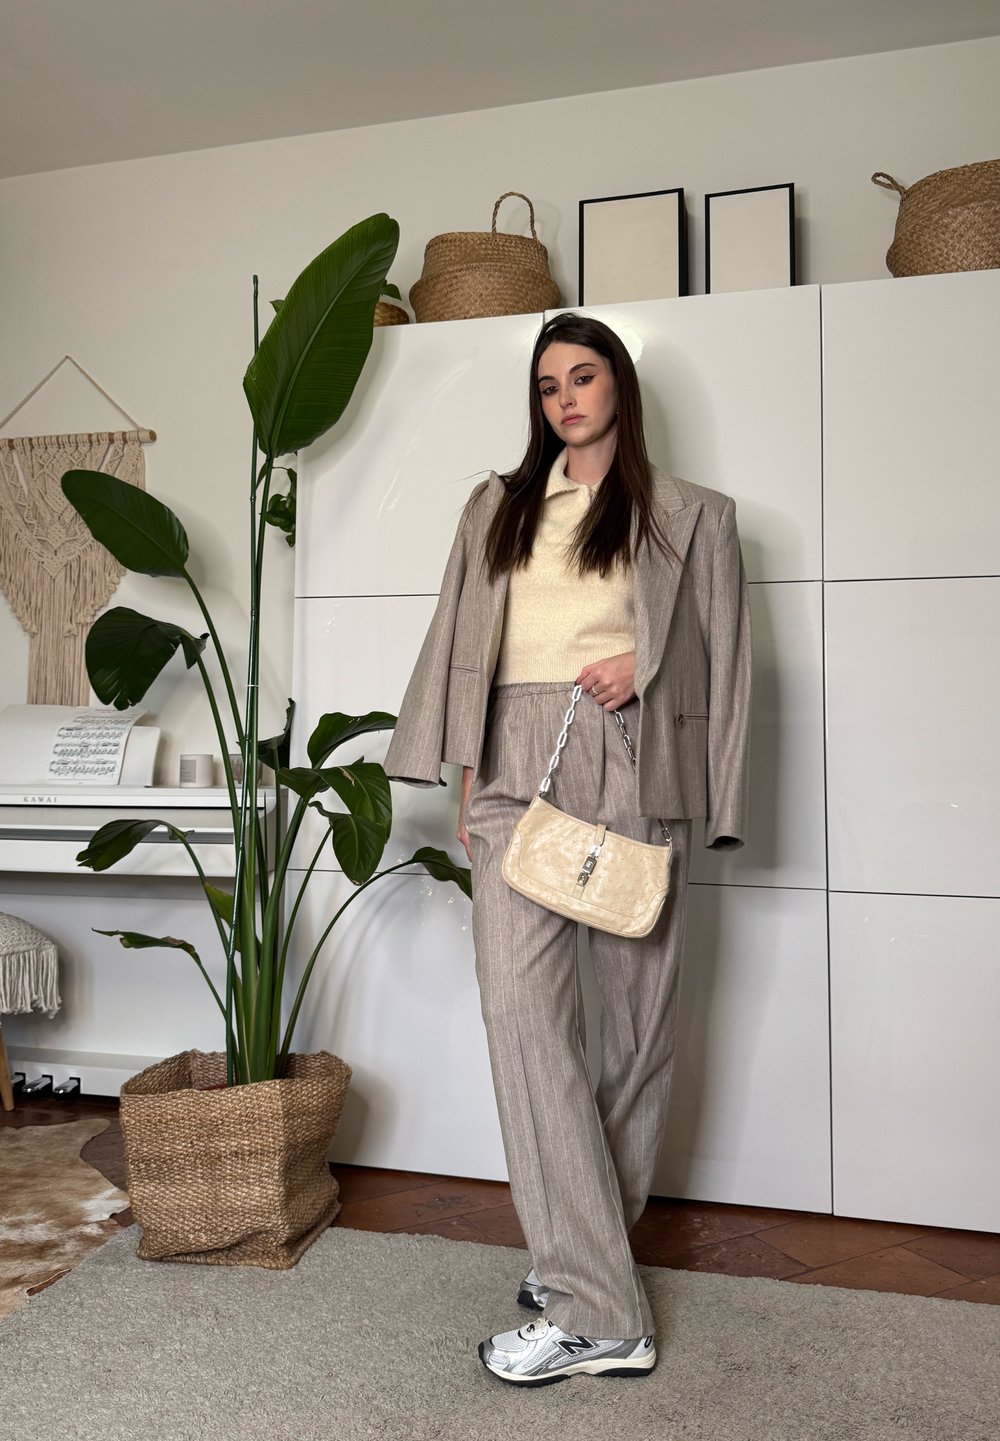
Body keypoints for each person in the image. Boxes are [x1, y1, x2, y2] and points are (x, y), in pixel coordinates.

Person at [384, 311, 752, 1385]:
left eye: (583, 377)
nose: (565, 399)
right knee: (520, 1017)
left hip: (629, 757)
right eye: (547, 385)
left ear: (619, 388)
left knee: (635, 1032)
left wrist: (646, 663)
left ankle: (589, 1269)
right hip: (510, 764)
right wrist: (463, 783)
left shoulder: (690, 515)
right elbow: (460, 645)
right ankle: (597, 1298)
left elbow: (725, 665)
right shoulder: (494, 506)